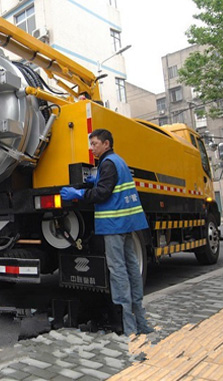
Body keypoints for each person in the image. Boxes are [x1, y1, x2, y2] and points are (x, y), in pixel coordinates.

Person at [60, 129, 153, 336]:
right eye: (91, 144)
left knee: (118, 271)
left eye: (95, 144)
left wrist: (79, 193)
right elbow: (110, 184)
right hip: (127, 224)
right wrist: (97, 179)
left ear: (107, 144)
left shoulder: (108, 163)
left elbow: (102, 193)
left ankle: (127, 327)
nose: (92, 148)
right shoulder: (117, 161)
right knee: (131, 269)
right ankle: (141, 322)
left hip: (114, 224)